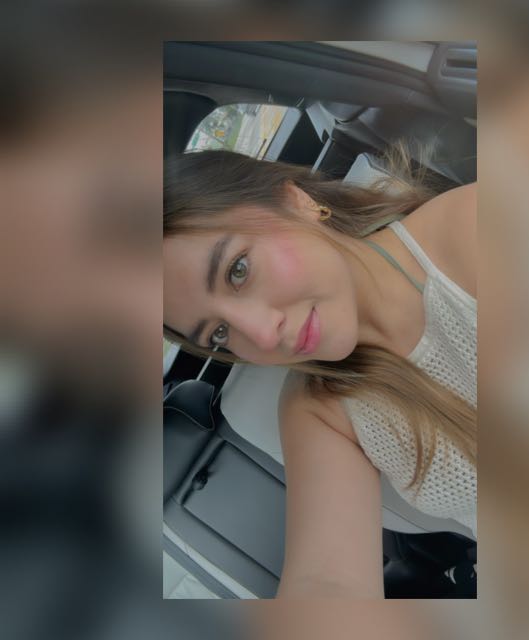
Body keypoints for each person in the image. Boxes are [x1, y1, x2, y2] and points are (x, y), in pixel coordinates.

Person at [163, 144, 477, 598]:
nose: (262, 336)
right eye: (219, 333)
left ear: (298, 201)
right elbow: (327, 582)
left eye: (238, 270)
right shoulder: (318, 409)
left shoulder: (469, 229)